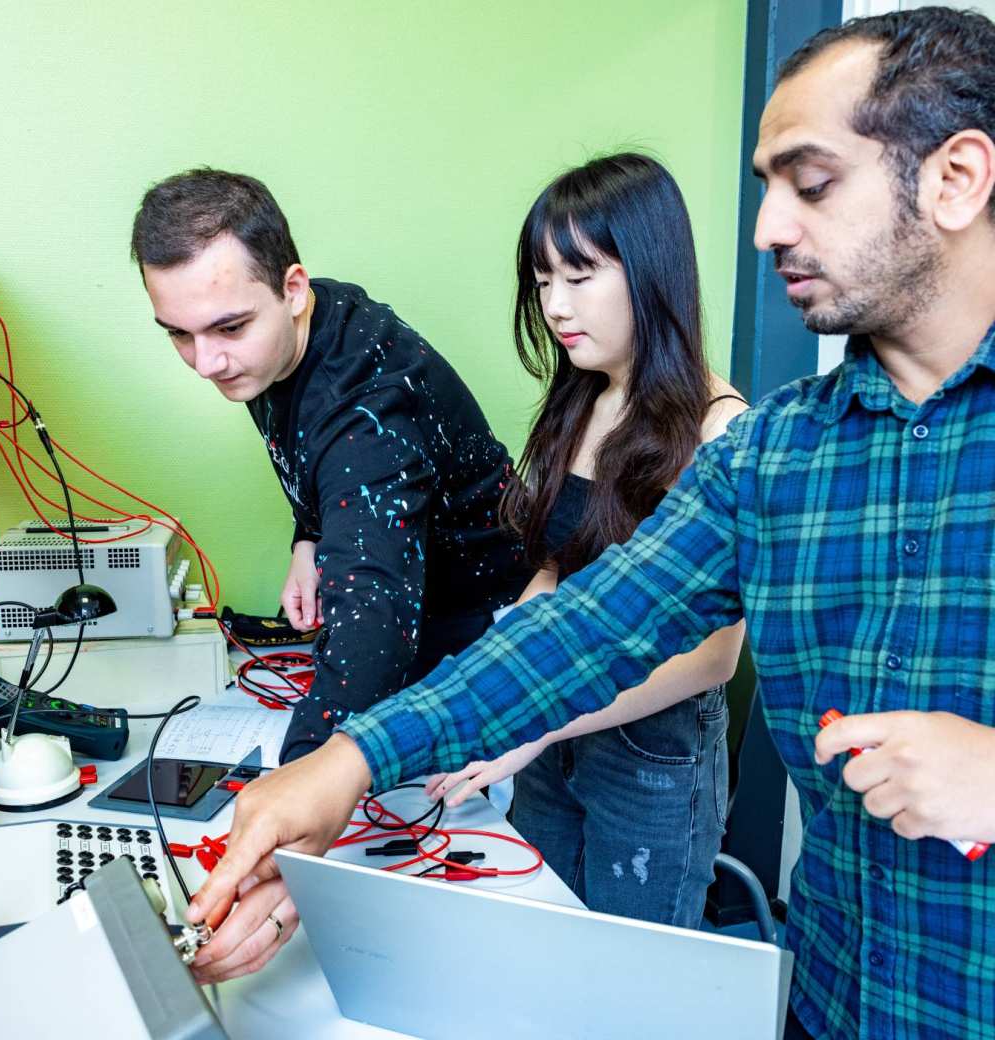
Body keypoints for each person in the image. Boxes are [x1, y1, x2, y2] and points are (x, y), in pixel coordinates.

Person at [189, 8, 995, 1040]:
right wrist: (345, 763)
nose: (764, 229)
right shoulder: (780, 454)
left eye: (812, 182)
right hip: (833, 999)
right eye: (765, 189)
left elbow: (697, 664)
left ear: (957, 178)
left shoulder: (722, 424)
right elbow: (583, 626)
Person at [423, 153, 746, 925]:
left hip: (653, 754)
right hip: (558, 725)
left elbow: (713, 657)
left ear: (651, 270)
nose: (555, 306)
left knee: (632, 985)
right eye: (542, 282)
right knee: (543, 943)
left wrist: (536, 719)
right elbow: (556, 572)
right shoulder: (583, 398)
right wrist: (488, 694)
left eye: (579, 275)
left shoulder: (720, 427)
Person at [130, 169, 529, 768]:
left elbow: (373, 614)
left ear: (293, 289)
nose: (207, 362)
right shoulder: (283, 339)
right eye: (180, 336)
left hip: (494, 632)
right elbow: (316, 459)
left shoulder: (365, 407)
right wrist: (309, 538)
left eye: (228, 328)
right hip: (420, 610)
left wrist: (300, 778)